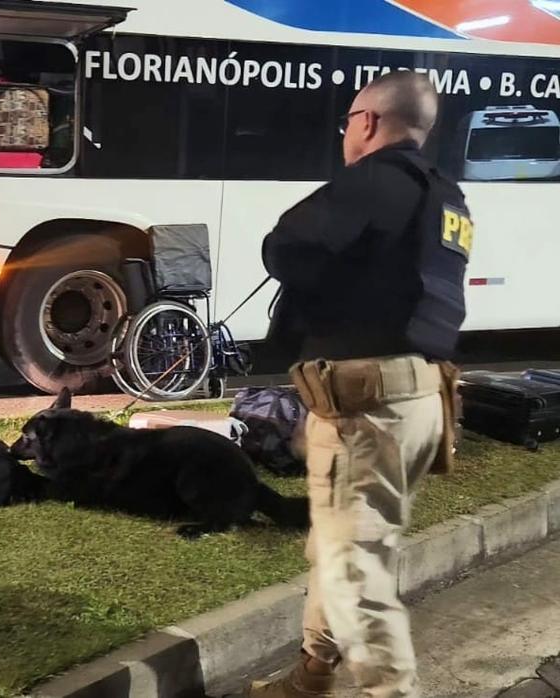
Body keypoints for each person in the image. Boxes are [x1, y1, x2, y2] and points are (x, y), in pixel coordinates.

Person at [245, 71, 471, 698]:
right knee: (342, 551)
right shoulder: (446, 195)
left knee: (354, 576)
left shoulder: (375, 180)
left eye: (349, 121)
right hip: (421, 401)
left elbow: (286, 245)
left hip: (369, 409)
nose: (347, 133)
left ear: (368, 121)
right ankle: (312, 676)